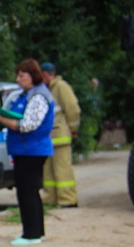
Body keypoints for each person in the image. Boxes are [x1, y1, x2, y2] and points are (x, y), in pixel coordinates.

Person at [0, 59, 54, 246]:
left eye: (22, 76)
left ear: (32, 76)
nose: (18, 79)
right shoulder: (25, 94)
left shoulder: (39, 96)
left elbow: (27, 125)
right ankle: (36, 231)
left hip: (32, 150)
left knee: (27, 192)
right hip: (26, 149)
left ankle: (31, 234)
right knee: (30, 191)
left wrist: (0, 117)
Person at [40, 62, 81, 208]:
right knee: (49, 172)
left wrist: (73, 128)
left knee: (62, 170)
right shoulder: (47, 89)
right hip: (48, 138)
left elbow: (73, 109)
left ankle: (68, 200)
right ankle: (50, 198)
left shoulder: (61, 87)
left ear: (45, 74)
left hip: (60, 136)